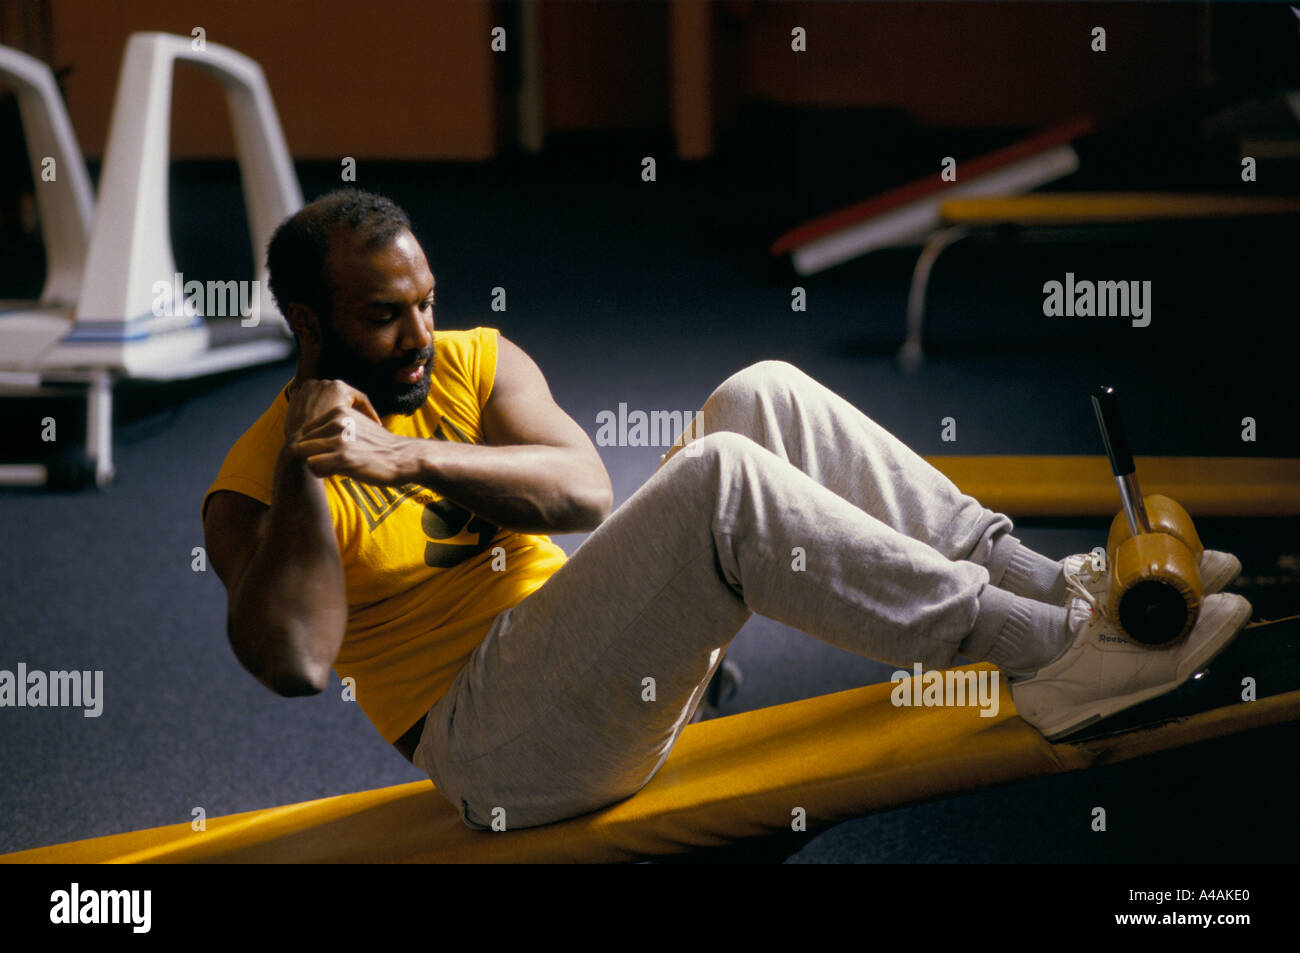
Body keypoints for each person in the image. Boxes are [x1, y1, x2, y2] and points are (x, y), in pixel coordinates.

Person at [202, 189, 1252, 831]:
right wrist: (311, 455)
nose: (421, 334)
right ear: (308, 322)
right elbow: (294, 661)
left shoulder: (469, 361)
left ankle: (1055, 582)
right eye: (383, 317)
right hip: (501, 751)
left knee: (761, 393)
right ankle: (1056, 653)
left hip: (601, 658)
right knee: (721, 481)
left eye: (425, 300)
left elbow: (585, 492)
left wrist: (404, 451)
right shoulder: (255, 482)